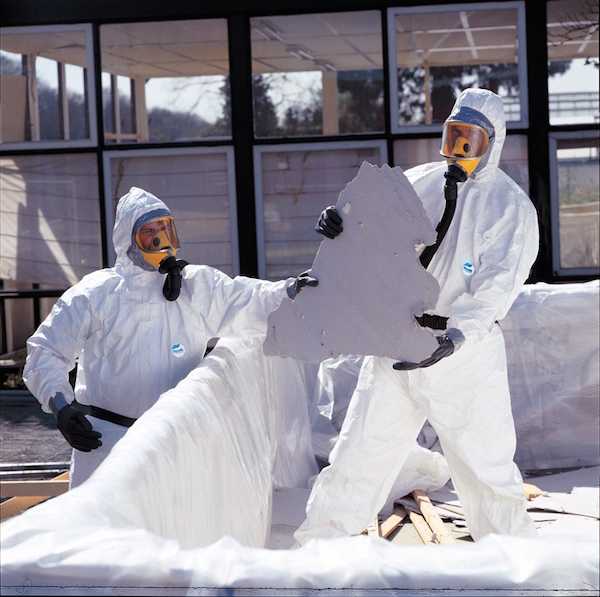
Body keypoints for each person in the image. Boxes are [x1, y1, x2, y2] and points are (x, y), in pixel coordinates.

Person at [295, 88, 539, 543]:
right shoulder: (419, 182)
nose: (459, 151)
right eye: (454, 138)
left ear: (494, 143)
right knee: (358, 455)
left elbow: (496, 290)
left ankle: (513, 565)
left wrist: (455, 338)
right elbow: (367, 228)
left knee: (485, 469)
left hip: (462, 362)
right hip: (395, 346)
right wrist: (339, 223)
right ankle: (318, 554)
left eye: (472, 141)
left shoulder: (510, 209)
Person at [23, 187, 317, 488]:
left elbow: (252, 301)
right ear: (129, 241)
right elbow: (46, 351)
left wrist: (296, 289)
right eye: (149, 233)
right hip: (108, 447)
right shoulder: (96, 294)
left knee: (178, 530)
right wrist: (62, 407)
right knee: (108, 533)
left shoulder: (196, 287)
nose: (160, 241)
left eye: (165, 230)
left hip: (178, 444)